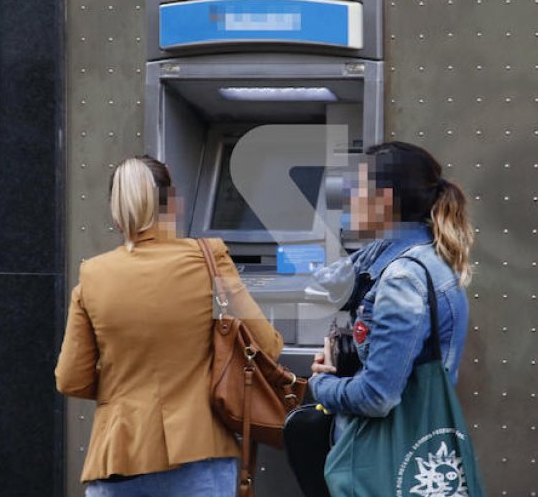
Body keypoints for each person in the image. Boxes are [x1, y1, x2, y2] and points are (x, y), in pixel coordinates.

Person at [56, 156, 283, 497]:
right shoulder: (209, 259)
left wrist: (126, 388)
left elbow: (72, 378)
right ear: (173, 204)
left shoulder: (93, 275)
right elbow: (268, 347)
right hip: (200, 452)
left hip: (118, 456)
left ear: (117, 214)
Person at [308, 141, 473, 427]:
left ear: (382, 200)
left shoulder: (403, 278)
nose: (347, 200)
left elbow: (376, 396)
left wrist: (320, 383)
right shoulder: (409, 254)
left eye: (354, 190)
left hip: (385, 458)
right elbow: (331, 284)